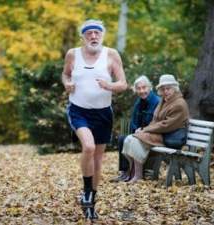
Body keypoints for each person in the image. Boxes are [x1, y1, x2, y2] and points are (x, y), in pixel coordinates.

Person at [61, 19, 127, 220]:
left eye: (97, 33)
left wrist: (109, 86)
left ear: (102, 35)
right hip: (79, 110)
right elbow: (65, 74)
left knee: (98, 160)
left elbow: (123, 83)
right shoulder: (73, 54)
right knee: (88, 147)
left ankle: (91, 200)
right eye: (88, 33)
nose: (93, 36)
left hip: (103, 113)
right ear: (83, 37)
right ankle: (87, 192)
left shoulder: (111, 54)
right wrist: (67, 83)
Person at [122, 74, 189, 182]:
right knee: (128, 139)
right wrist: (144, 129)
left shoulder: (179, 104)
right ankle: (133, 172)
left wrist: (145, 130)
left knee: (135, 140)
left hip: (170, 136)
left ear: (175, 88)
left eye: (168, 88)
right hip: (161, 134)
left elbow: (166, 125)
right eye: (163, 89)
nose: (165, 91)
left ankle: (138, 175)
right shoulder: (164, 100)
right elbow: (155, 119)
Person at [110, 75, 160, 182]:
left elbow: (156, 122)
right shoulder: (139, 102)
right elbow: (133, 121)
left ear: (149, 87)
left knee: (131, 140)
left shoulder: (156, 101)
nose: (142, 91)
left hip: (150, 134)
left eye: (144, 87)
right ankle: (125, 171)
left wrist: (143, 129)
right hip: (139, 132)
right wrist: (136, 128)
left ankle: (133, 172)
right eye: (139, 88)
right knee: (122, 138)